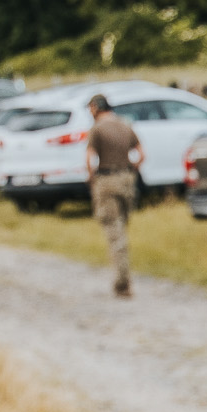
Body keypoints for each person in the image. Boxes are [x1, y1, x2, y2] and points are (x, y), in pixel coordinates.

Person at [84, 95, 143, 298]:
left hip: (106, 180)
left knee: (114, 232)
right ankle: (123, 276)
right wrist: (132, 170)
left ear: (96, 108)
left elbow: (90, 159)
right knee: (122, 229)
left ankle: (122, 283)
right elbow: (141, 154)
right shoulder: (125, 125)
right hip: (127, 180)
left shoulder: (97, 129)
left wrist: (92, 179)